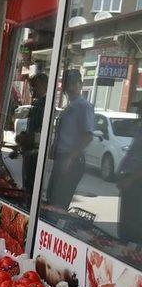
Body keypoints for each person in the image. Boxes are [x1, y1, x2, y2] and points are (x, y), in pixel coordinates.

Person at [47, 69, 94, 210]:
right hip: (61, 157)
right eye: (68, 84)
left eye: (74, 83)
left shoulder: (83, 106)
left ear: (80, 84)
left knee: (58, 204)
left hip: (71, 160)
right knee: (52, 198)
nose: (71, 88)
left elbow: (88, 136)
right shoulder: (70, 106)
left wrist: (71, 158)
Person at [16, 73, 48, 193]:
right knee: (27, 185)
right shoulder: (37, 104)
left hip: (35, 153)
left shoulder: (44, 105)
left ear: (44, 85)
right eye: (31, 87)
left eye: (35, 86)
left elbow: (42, 131)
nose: (32, 90)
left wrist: (27, 139)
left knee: (30, 187)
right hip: (30, 151)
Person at [116, 102, 142, 244]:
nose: (138, 111)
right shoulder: (139, 128)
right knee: (126, 222)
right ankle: (125, 245)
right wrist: (121, 172)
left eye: (140, 108)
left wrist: (131, 179)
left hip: (137, 182)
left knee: (134, 223)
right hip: (130, 180)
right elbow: (132, 153)